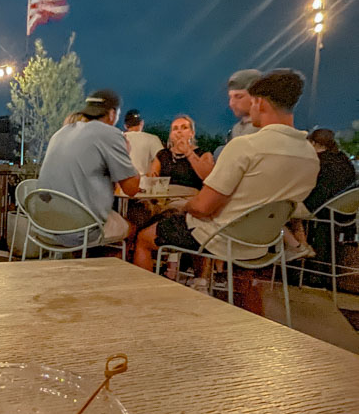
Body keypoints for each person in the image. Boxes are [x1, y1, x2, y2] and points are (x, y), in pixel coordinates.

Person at [133, 70, 319, 314]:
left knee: (144, 239)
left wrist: (183, 205)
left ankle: (143, 307)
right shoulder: (310, 156)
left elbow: (201, 208)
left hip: (220, 239)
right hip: (263, 244)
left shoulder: (245, 147)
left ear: (259, 102)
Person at [38, 89, 140, 242]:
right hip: (79, 230)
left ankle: (91, 261)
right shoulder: (110, 134)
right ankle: (112, 264)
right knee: (133, 229)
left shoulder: (61, 132)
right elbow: (131, 189)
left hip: (44, 225)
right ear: (112, 114)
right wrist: (128, 153)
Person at [283, 127, 357, 261]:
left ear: (313, 144)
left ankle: (297, 247)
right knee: (292, 208)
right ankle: (302, 246)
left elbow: (304, 189)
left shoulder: (316, 162)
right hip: (344, 212)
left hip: (320, 209)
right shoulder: (344, 161)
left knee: (278, 210)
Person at [149, 115, 214, 188]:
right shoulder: (162, 155)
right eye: (175, 129)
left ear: (192, 133)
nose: (179, 131)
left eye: (184, 128)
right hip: (165, 197)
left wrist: (188, 152)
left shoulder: (203, 154)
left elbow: (208, 177)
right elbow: (152, 179)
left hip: (192, 197)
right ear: (171, 135)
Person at [123, 109, 164, 176]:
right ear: (142, 123)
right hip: (144, 183)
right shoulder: (152, 138)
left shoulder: (118, 139)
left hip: (121, 183)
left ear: (125, 125)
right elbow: (161, 159)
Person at [226, 69, 262, 141]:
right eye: (230, 97)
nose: (231, 103)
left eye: (238, 97)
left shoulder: (269, 129)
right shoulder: (235, 131)